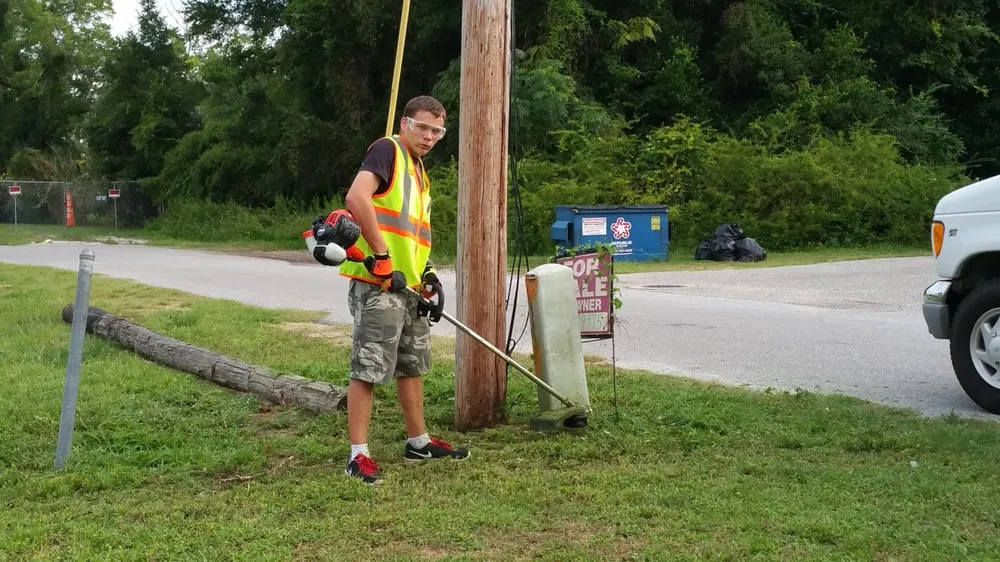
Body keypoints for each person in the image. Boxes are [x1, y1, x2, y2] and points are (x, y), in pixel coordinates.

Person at [338, 95, 469, 484]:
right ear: (404, 123)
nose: (429, 137)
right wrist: (381, 255)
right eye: (423, 127)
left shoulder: (419, 170)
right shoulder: (387, 150)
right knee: (368, 367)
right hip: (378, 281)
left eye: (437, 131)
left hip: (409, 285)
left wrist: (427, 273)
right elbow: (356, 197)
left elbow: (414, 232)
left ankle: (419, 442)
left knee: (411, 365)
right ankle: (357, 456)